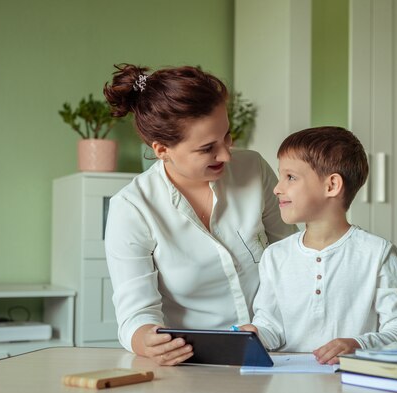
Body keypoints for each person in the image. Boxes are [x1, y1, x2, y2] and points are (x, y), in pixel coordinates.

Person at [103, 63, 297, 365]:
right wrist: (147, 340)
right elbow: (135, 314)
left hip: (282, 350)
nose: (226, 155)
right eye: (207, 148)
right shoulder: (132, 208)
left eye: (227, 136)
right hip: (198, 365)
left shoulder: (254, 170)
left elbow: (293, 258)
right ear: (162, 149)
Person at [240, 126, 397, 364]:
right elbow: (271, 325)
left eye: (290, 177)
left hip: (355, 382)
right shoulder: (275, 256)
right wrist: (255, 334)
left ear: (332, 185)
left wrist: (358, 344)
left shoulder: (377, 253)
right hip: (289, 385)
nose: (277, 188)